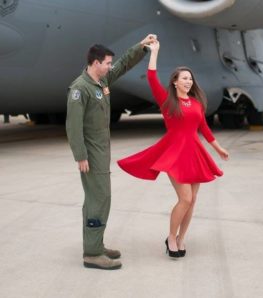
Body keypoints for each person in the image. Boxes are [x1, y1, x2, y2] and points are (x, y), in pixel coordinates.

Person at [117, 40, 229, 258]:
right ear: (175, 82)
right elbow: (151, 78)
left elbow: (204, 129)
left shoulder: (196, 103)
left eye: (190, 79)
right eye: (184, 78)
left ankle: (181, 238)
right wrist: (155, 52)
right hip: (175, 154)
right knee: (185, 198)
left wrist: (219, 148)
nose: (188, 81)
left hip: (195, 153)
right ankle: (170, 237)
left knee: (193, 201)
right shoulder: (167, 101)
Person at [66, 34, 157, 270]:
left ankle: (96, 244)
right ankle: (93, 253)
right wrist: (81, 155)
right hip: (91, 155)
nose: (109, 66)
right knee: (99, 199)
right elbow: (73, 126)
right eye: (106, 63)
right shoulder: (80, 88)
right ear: (95, 63)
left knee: (100, 199)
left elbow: (124, 62)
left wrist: (142, 46)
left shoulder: (102, 82)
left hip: (100, 152)